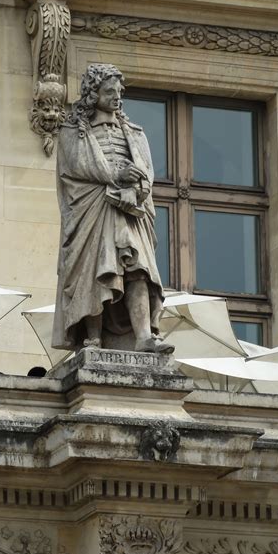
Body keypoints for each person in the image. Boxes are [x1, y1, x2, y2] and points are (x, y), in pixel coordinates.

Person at [52, 63, 173, 355]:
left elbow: (147, 174)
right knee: (93, 270)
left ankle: (144, 336)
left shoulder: (134, 132)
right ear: (93, 94)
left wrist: (139, 189)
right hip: (92, 211)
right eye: (109, 91)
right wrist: (117, 175)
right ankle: (92, 337)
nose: (117, 97)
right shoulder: (73, 131)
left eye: (119, 91)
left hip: (129, 214)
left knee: (138, 269)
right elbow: (77, 165)